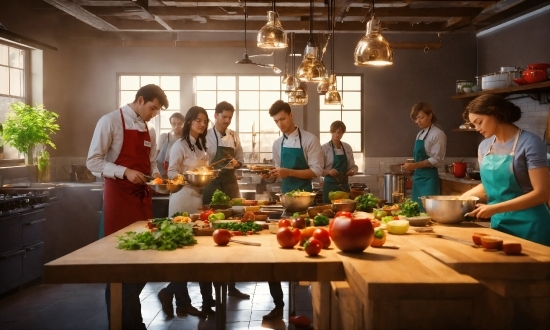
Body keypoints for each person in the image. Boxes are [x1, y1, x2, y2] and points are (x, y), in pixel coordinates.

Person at [86, 84, 168, 330]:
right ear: (140, 100)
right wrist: (124, 171)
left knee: (142, 261)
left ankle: (132, 319)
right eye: (152, 108)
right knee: (118, 263)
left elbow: (151, 162)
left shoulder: (149, 129)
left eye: (157, 111)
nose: (153, 114)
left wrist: (157, 176)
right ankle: (123, 324)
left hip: (141, 199)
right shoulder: (109, 121)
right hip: (119, 199)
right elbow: (93, 161)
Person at [260, 100, 324, 320]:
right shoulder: (277, 144)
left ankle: (312, 300)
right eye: (276, 121)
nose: (280, 124)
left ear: (291, 115)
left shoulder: (309, 139)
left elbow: (316, 171)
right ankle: (279, 304)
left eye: (283, 119)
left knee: (308, 252)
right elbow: (280, 173)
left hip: (307, 204)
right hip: (287, 203)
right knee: (275, 255)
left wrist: (288, 172)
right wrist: (272, 174)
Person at [460, 94, 550, 246]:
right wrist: (459, 200)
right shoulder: (485, 147)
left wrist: (494, 208)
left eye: (479, 122)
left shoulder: (530, 143)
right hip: (500, 224)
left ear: (495, 114)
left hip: (531, 225)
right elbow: (489, 185)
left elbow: (542, 193)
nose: (477, 128)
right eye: (474, 124)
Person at [157, 106, 216, 318]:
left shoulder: (203, 146)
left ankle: (190, 301)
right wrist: (188, 176)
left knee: (200, 253)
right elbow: (171, 171)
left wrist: (206, 175)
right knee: (185, 255)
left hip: (198, 197)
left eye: (204, 121)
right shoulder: (179, 145)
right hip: (182, 197)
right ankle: (173, 294)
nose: (202, 124)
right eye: (198, 120)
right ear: (189, 121)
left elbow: (204, 171)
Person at [203, 101, 249, 299]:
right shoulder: (206, 135)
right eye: (224, 117)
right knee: (211, 231)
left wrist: (237, 163)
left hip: (230, 184)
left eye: (230, 117)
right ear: (216, 116)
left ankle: (231, 285)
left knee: (233, 229)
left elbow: (241, 158)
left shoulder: (234, 136)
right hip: (212, 184)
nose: (228, 121)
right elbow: (202, 161)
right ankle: (211, 291)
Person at [402, 102, 446, 211]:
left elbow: (436, 159)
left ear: (430, 115)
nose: (418, 121)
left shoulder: (438, 134)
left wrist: (415, 165)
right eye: (416, 119)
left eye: (421, 117)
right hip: (418, 177)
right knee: (416, 209)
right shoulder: (420, 133)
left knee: (429, 210)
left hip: (429, 178)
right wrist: (411, 165)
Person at [321, 120, 358, 204]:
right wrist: (329, 171)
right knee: (329, 210)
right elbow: (318, 169)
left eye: (340, 132)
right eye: (335, 132)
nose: (337, 135)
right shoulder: (324, 148)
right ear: (331, 132)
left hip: (344, 186)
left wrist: (352, 171)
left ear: (343, 133)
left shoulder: (347, 147)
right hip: (329, 186)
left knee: (345, 209)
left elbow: (353, 166)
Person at [156, 112, 185, 177]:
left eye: (179, 123)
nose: (176, 126)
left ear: (184, 123)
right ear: (170, 124)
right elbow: (158, 160)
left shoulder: (187, 139)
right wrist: (163, 174)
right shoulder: (165, 137)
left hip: (183, 172)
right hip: (166, 171)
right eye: (174, 124)